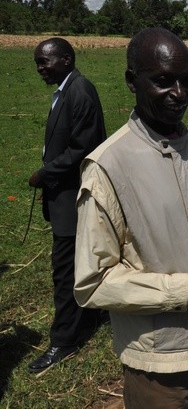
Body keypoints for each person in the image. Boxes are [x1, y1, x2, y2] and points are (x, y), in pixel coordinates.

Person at [73, 27, 188, 408]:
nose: (179, 93)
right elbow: (93, 283)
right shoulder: (109, 166)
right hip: (164, 368)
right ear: (131, 81)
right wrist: (185, 288)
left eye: (186, 81)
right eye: (162, 81)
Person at [27, 37, 107, 373]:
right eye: (38, 64)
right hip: (65, 195)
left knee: (65, 271)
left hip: (75, 197)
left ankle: (64, 341)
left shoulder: (79, 91)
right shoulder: (66, 89)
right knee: (76, 263)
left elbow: (83, 149)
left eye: (45, 62)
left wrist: (45, 172)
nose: (41, 70)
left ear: (66, 59)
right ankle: (86, 317)